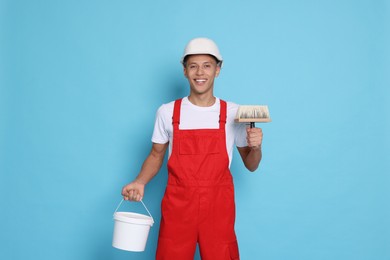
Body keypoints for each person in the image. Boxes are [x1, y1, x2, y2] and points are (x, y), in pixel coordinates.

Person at [121, 37, 263, 260]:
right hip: (178, 206)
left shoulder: (234, 112)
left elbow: (251, 165)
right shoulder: (167, 112)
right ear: (185, 70)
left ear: (218, 70)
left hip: (218, 207)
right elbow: (156, 154)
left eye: (207, 66)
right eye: (193, 66)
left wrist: (256, 147)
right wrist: (140, 181)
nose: (200, 73)